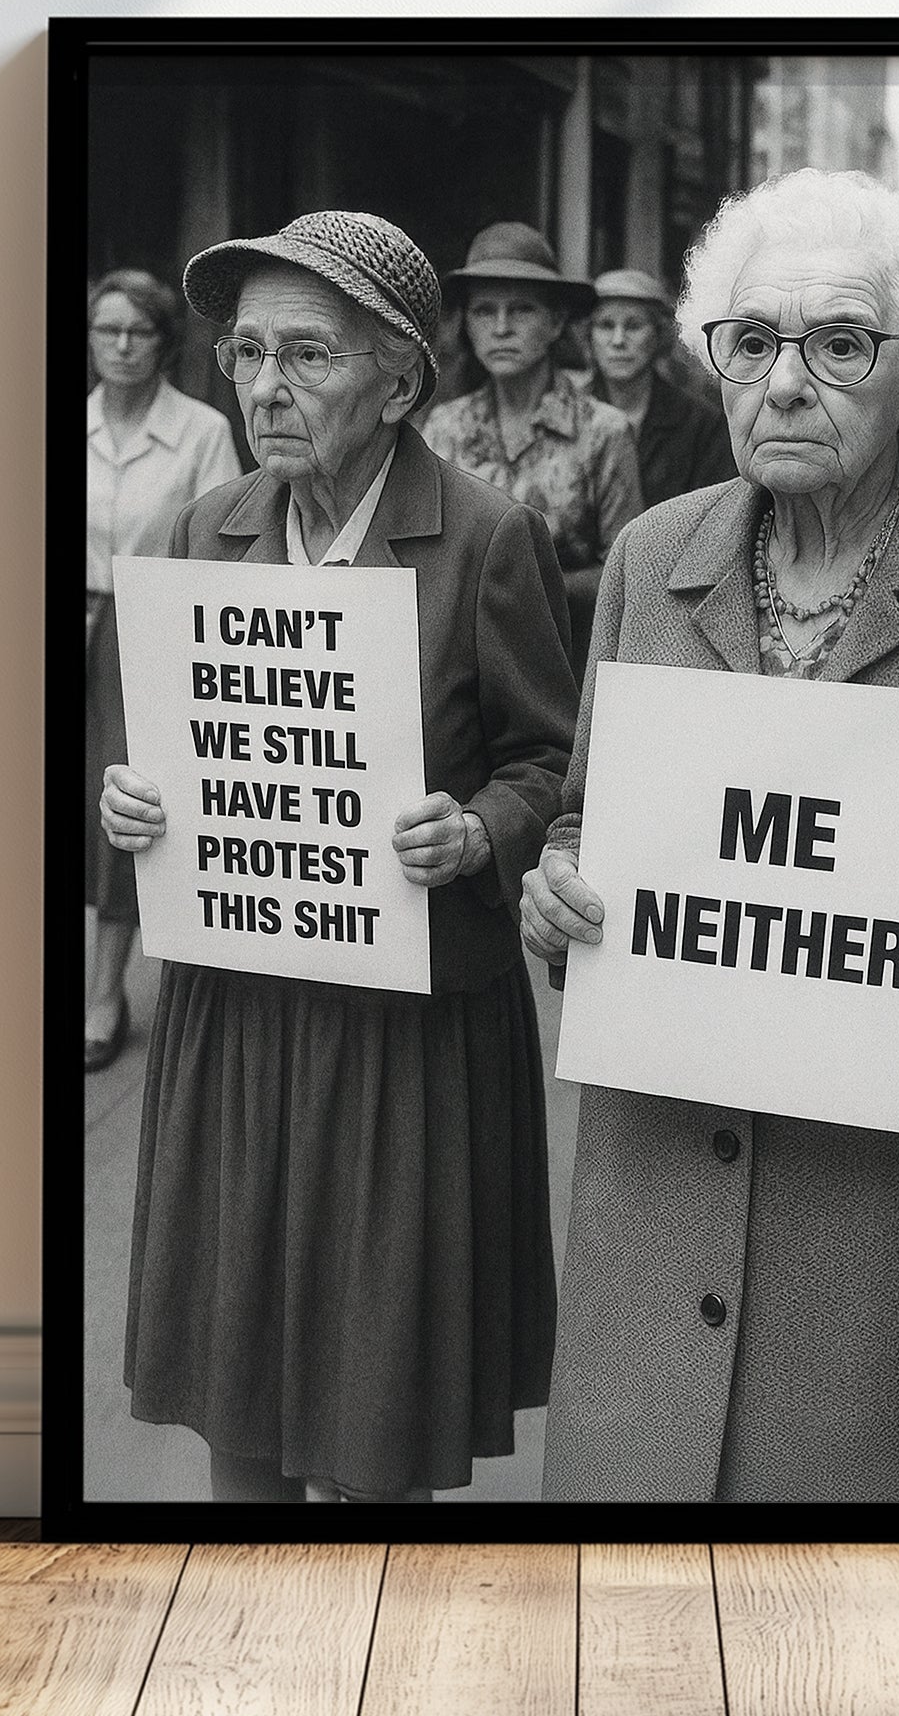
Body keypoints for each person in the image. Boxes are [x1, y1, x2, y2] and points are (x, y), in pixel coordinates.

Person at [521, 169, 899, 1505]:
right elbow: (582, 815)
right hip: (658, 1209)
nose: (785, 384)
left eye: (840, 344)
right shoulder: (645, 561)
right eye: (751, 342)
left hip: (890, 1230)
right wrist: (558, 885)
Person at [101, 210, 577, 1503]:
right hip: (236, 1019)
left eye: (307, 356)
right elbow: (177, 745)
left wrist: (480, 828)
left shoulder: (486, 539)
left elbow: (554, 765)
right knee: (235, 1381)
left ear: (401, 377)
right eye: (246, 353)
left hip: (402, 1041)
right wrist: (138, 807)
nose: (264, 387)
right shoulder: (205, 531)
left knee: (379, 1407)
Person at [85, 269, 239, 1071]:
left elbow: (217, 544)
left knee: (120, 792)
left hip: (143, 624)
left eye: (135, 332)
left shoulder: (202, 429)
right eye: (104, 331)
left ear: (163, 341)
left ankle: (104, 990)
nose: (118, 346)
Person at [423, 222, 642, 676]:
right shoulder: (446, 426)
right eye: (485, 311)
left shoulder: (603, 430)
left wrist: (533, 589)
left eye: (521, 310)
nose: (501, 328)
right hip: (464, 665)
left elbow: (627, 572)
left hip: (567, 662)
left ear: (556, 322)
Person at [587, 269, 735, 508]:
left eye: (634, 326)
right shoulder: (569, 415)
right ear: (589, 334)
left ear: (658, 335)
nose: (618, 340)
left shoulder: (700, 423)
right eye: (605, 325)